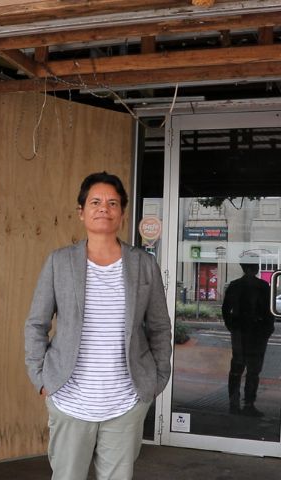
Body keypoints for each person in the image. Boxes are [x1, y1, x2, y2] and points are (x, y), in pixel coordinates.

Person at [24, 171, 172, 480]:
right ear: (81, 212)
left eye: (112, 202)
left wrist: (156, 380)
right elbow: (37, 324)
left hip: (126, 401)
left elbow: (159, 327)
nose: (104, 208)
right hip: (69, 399)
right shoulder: (59, 262)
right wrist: (41, 378)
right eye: (95, 201)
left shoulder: (144, 264)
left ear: (121, 213)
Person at [221, 263, 275, 417]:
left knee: (237, 369)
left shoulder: (235, 285)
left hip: (240, 331)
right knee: (253, 371)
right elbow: (269, 313)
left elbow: (225, 309)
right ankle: (249, 404)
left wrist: (232, 326)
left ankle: (234, 404)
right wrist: (267, 330)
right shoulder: (264, 286)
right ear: (255, 269)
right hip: (257, 333)